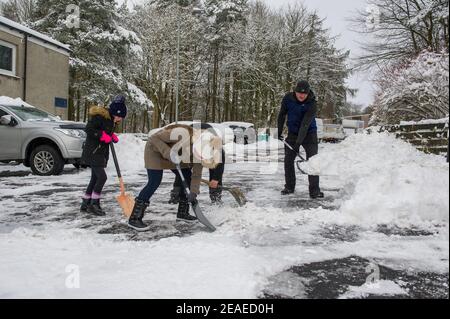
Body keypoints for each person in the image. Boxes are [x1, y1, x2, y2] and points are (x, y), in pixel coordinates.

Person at [128, 123, 222, 232]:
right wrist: (169, 153)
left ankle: (183, 213)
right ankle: (134, 218)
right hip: (156, 151)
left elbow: (196, 175)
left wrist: (193, 193)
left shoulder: (202, 153)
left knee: (187, 177)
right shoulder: (183, 133)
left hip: (176, 156)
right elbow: (154, 138)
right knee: (154, 181)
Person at [80, 95, 127, 216]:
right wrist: (101, 135)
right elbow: (89, 129)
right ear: (114, 112)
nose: (120, 119)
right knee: (102, 177)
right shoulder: (100, 117)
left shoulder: (111, 120)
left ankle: (86, 202)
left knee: (95, 178)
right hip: (93, 152)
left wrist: (111, 135)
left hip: (100, 153)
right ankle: (94, 204)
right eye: (119, 116)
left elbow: (106, 132)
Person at [277, 80, 324, 199]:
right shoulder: (288, 99)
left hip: (309, 133)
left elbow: (305, 124)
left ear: (308, 93)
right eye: (299, 93)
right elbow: (282, 114)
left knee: (313, 161)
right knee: (288, 160)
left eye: (304, 93)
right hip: (292, 133)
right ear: (295, 91)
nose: (302, 95)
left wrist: (298, 143)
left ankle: (314, 191)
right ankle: (289, 187)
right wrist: (279, 131)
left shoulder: (312, 103)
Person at [169, 124, 225, 205]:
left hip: (206, 140)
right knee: (184, 169)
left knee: (214, 169)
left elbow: (220, 164)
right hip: (191, 142)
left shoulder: (216, 147)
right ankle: (176, 192)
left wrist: (216, 179)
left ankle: (215, 198)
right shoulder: (189, 142)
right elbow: (181, 167)